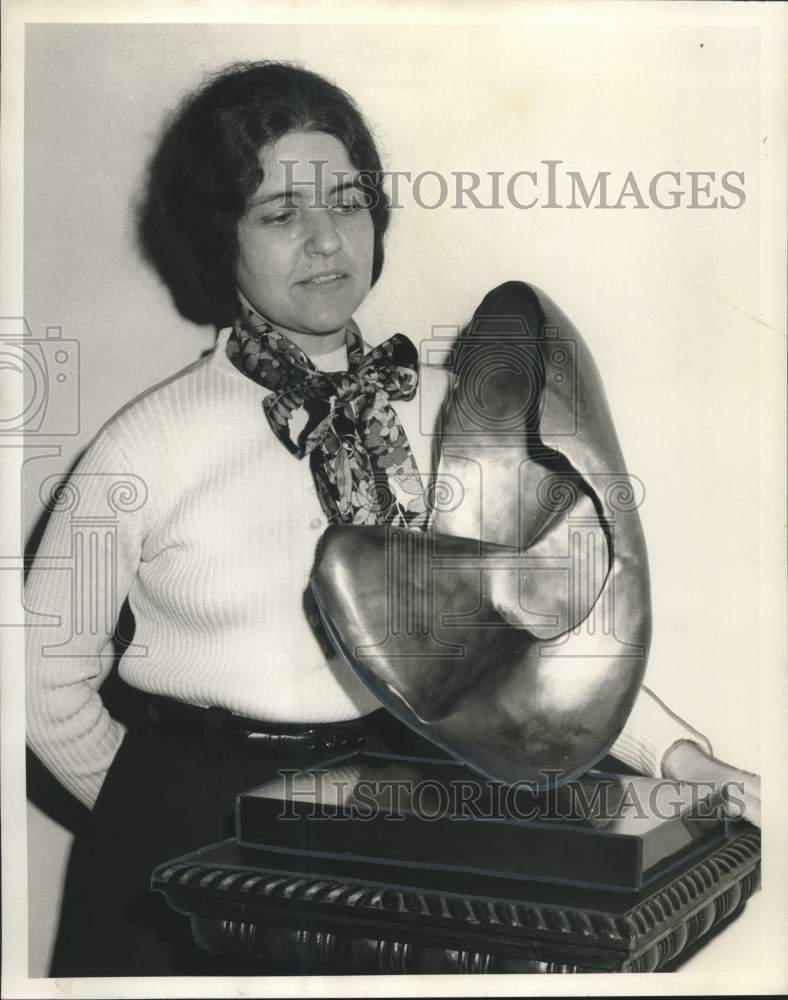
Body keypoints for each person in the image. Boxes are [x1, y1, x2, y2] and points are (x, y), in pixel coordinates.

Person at [25, 60, 761, 978]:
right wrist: (173, 825)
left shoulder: (451, 413)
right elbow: (34, 687)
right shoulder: (147, 441)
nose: (326, 240)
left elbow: (541, 636)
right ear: (223, 240)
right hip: (187, 842)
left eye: (347, 202)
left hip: (387, 811)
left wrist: (681, 755)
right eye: (280, 213)